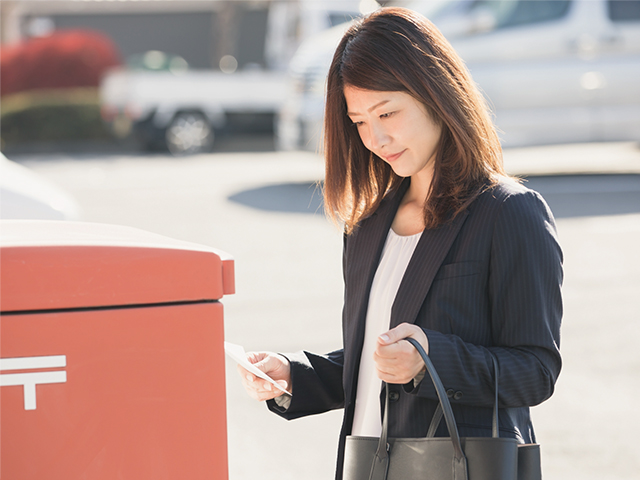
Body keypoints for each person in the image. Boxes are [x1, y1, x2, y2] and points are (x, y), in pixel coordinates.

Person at [237, 7, 563, 479]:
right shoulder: (367, 224)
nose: (377, 137)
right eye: (360, 122)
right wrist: (294, 374)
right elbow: (374, 360)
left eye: (388, 112)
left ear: (436, 92)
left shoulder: (509, 212)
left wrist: (430, 359)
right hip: (368, 466)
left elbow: (535, 371)